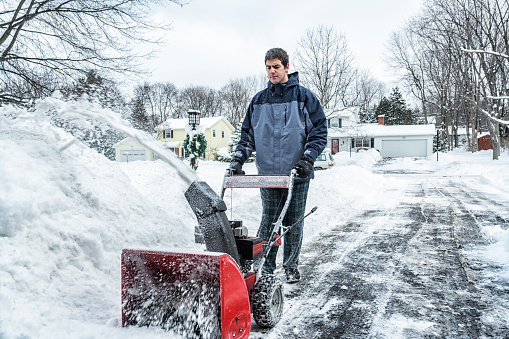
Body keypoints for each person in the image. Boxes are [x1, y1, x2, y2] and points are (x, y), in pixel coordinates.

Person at [229, 47, 327, 283]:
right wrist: (238, 159)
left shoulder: (304, 97)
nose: (272, 71)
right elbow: (247, 136)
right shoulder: (258, 101)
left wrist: (309, 158)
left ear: (287, 67)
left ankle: (291, 265)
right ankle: (266, 267)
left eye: (276, 67)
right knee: (270, 221)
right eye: (268, 67)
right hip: (269, 174)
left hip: (297, 174)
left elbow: (319, 132)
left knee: (292, 222)